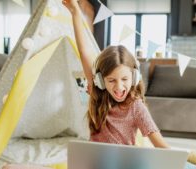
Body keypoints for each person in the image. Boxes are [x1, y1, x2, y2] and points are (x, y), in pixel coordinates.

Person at [62, 0, 169, 147]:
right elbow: (84, 52)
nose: (119, 87)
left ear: (134, 77)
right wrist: (75, 12)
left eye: (124, 79)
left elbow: (160, 145)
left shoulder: (137, 107)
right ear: (100, 80)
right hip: (96, 161)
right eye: (111, 80)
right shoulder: (97, 91)